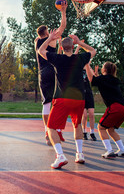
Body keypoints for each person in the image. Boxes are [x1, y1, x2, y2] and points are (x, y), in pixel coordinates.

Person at [38, 31, 96, 169]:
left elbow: (40, 50)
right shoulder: (81, 58)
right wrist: (79, 43)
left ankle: (60, 156)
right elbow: (93, 51)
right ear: (72, 46)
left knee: (51, 127)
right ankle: (80, 154)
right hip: (79, 99)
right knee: (78, 125)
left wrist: (50, 38)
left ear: (62, 48)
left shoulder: (57, 58)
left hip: (62, 98)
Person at [34, 1, 67, 145]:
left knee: (46, 103)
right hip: (52, 71)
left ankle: (47, 133)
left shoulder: (36, 41)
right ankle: (54, 130)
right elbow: (63, 27)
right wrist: (63, 12)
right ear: (46, 32)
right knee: (56, 103)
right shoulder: (51, 40)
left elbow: (41, 38)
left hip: (41, 73)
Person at [85, 61, 124, 158]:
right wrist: (96, 75)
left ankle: (109, 151)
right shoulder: (113, 79)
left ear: (104, 69)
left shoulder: (103, 79)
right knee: (110, 129)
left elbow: (91, 79)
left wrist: (87, 64)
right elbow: (98, 80)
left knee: (101, 128)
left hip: (116, 107)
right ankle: (122, 150)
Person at [74, 44, 97, 141]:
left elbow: (93, 77)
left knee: (91, 113)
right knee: (84, 114)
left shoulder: (88, 68)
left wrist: (94, 71)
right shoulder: (77, 68)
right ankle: (84, 132)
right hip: (80, 94)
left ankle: (92, 132)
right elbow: (73, 57)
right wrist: (78, 46)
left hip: (88, 93)